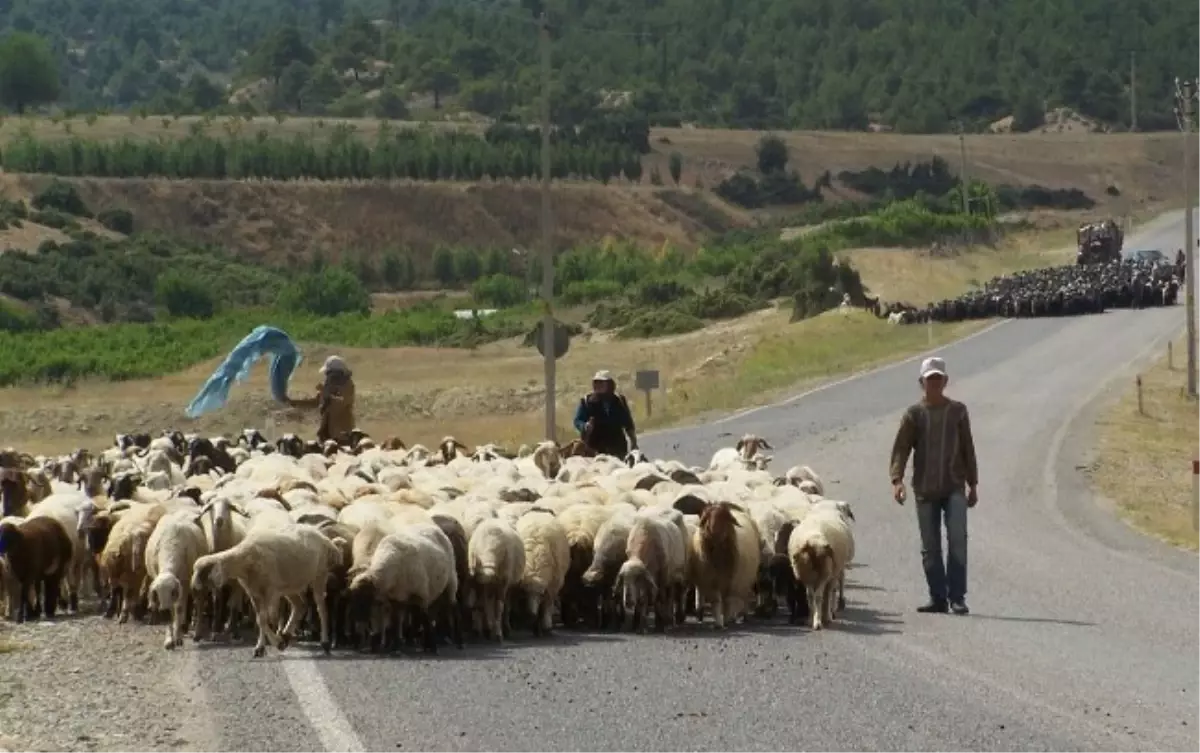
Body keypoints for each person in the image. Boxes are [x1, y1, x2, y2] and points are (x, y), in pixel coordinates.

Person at [889, 356, 979, 616]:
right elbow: (901, 449)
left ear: (946, 381)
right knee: (930, 546)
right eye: (930, 380)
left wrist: (973, 484)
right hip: (925, 489)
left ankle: (957, 597)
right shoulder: (914, 415)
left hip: (954, 486)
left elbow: (968, 448)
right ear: (922, 383)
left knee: (958, 539)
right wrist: (897, 481)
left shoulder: (958, 412)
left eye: (939, 379)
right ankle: (937, 597)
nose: (935, 383)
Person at [287, 355, 357, 445]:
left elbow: (342, 403)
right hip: (326, 433)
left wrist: (325, 391)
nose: (327, 376)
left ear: (337, 373)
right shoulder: (328, 385)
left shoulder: (348, 385)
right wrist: (293, 402)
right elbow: (316, 402)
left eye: (329, 373)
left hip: (342, 435)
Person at [573, 370, 638, 458]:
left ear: (609, 384)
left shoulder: (619, 400)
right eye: (596, 383)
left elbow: (628, 423)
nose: (598, 385)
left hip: (617, 448)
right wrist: (585, 426)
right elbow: (578, 420)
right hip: (594, 449)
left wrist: (633, 442)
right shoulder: (586, 401)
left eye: (601, 383)